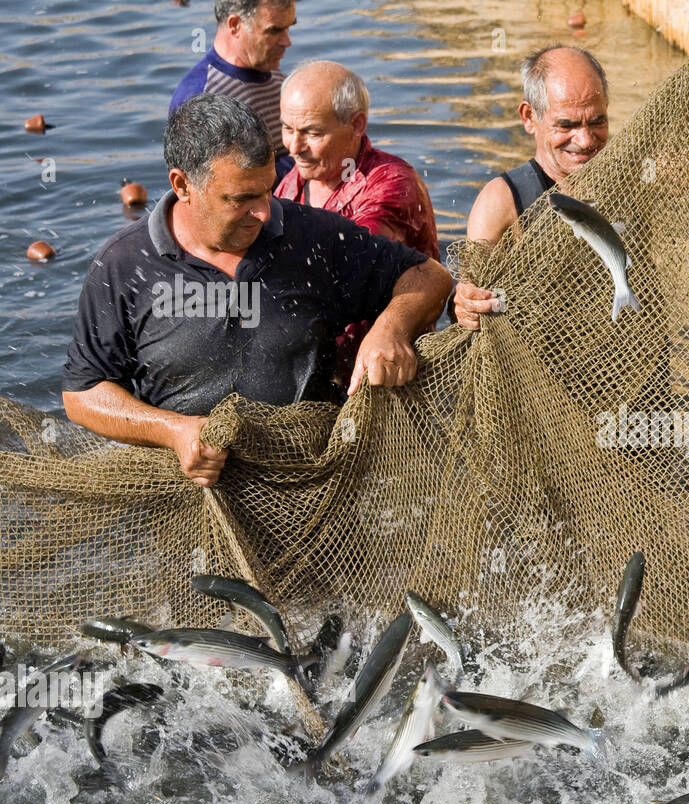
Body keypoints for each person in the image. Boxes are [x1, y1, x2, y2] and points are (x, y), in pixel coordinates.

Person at [62, 94, 452, 488]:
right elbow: (83, 393)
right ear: (182, 185)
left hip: (313, 480)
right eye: (241, 199)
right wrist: (174, 431)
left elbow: (427, 276)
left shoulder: (313, 237)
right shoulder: (124, 263)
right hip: (190, 490)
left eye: (266, 190)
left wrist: (391, 329)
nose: (264, 212)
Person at [277, 60, 442, 375]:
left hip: (385, 374)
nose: (295, 147)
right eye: (287, 128)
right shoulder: (290, 184)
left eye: (312, 132)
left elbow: (347, 260)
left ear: (357, 125)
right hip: (321, 372)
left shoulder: (392, 181)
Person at [454, 45, 610, 329]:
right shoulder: (503, 201)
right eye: (566, 125)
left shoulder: (633, 177)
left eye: (598, 121)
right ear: (529, 118)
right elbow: (467, 292)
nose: (586, 140)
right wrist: (467, 303)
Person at [171, 0, 297, 181]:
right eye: (274, 30)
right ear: (235, 25)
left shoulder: (272, 73)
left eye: (288, 28)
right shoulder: (202, 97)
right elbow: (210, 187)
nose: (287, 41)